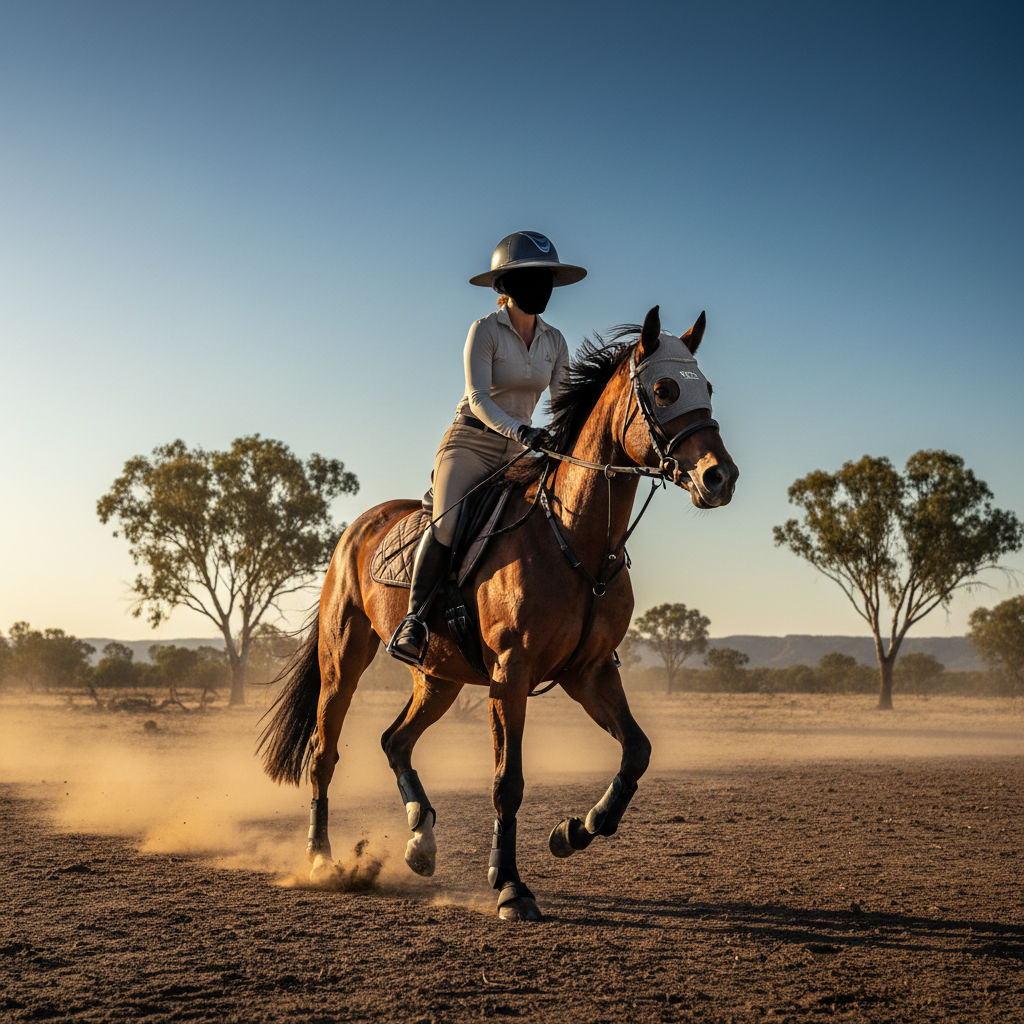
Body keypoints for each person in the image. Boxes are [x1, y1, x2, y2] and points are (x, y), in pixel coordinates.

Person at [387, 230, 588, 666]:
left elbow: (563, 403)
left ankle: (579, 632)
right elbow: (478, 398)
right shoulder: (484, 331)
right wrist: (522, 432)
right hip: (471, 443)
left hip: (520, 450)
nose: (542, 287)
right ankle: (415, 621)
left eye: (547, 278)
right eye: (532, 278)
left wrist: (564, 441)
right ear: (505, 287)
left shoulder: (555, 341)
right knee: (446, 523)